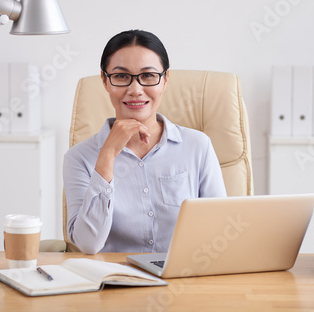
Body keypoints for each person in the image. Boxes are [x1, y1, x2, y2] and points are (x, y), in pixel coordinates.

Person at [63, 29, 226, 254]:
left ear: (165, 79)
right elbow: (88, 244)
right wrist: (107, 156)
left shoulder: (198, 146)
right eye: (121, 76)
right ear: (105, 81)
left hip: (183, 278)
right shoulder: (79, 157)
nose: (135, 90)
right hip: (115, 281)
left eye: (148, 76)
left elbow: (219, 229)